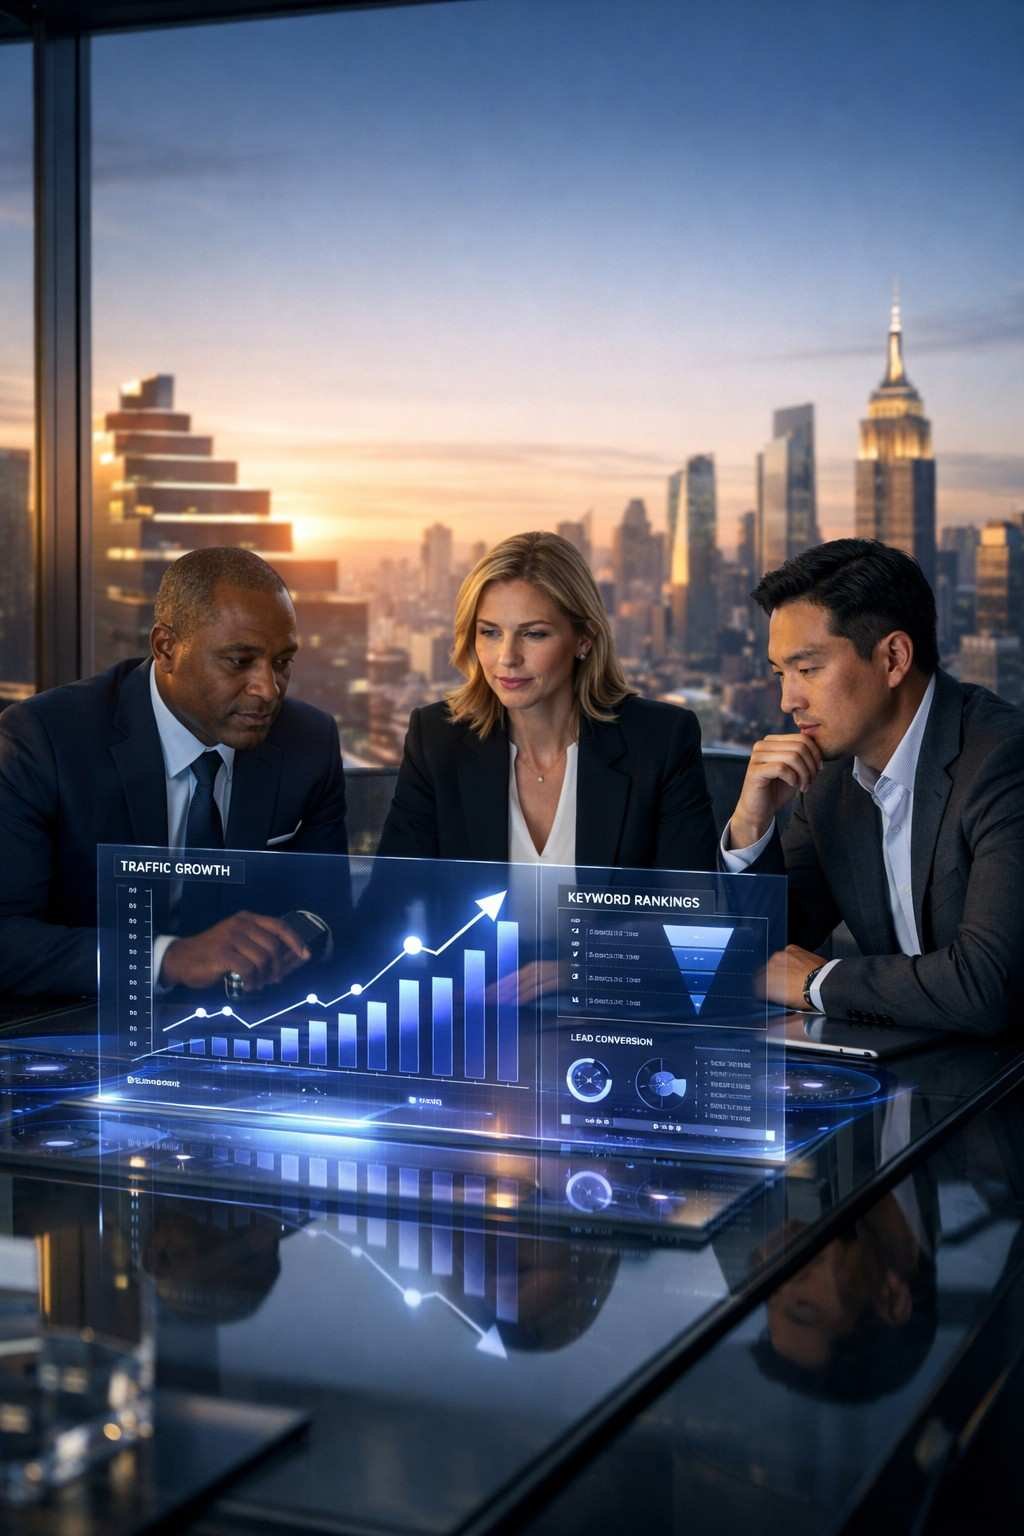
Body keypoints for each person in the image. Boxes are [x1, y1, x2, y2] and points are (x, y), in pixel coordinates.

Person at [0, 546, 349, 998]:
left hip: (247, 1019)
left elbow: (328, 910)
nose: (267, 689)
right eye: (239, 661)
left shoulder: (309, 742)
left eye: (282, 663)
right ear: (166, 648)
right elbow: (7, 936)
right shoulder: (44, 739)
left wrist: (296, 936)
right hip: (86, 1017)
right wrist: (168, 958)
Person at [722, 538, 1024, 1032]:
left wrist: (817, 982)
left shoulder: (1003, 761)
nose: (787, 700)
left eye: (807, 669)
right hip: (904, 1061)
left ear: (894, 658)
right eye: (780, 673)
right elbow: (756, 954)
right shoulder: (830, 780)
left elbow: (988, 985)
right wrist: (750, 824)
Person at [378, 530, 718, 871]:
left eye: (534, 634)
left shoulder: (660, 741)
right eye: (490, 632)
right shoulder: (436, 739)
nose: (507, 657)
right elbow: (389, 895)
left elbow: (691, 896)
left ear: (584, 639)